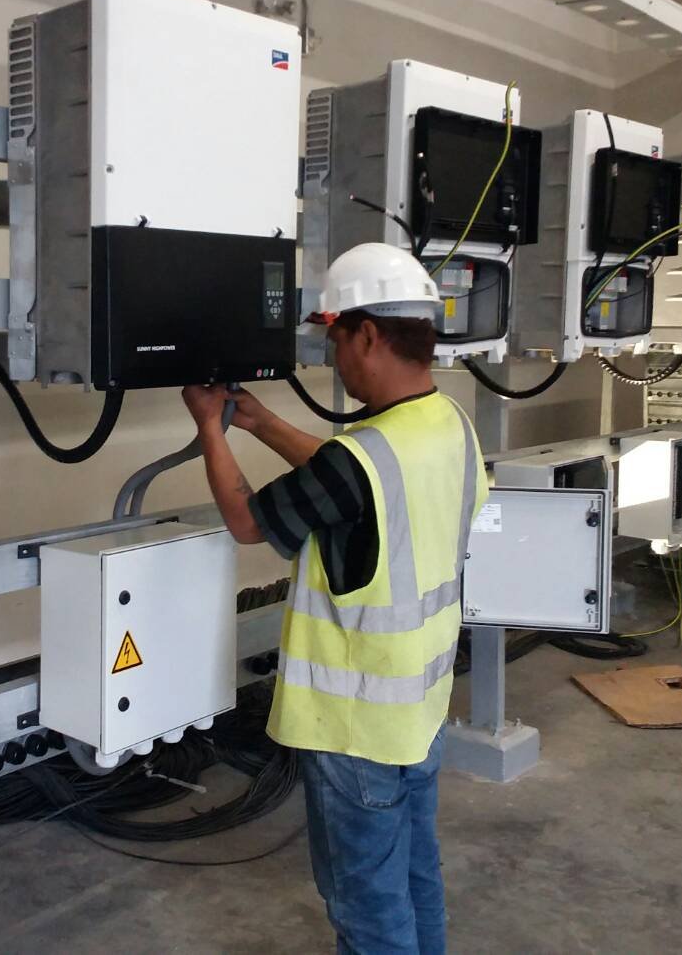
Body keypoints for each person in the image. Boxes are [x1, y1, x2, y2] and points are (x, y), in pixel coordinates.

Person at [182, 242, 486, 955]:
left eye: (335, 340)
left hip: (357, 726)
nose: (334, 358)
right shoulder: (447, 423)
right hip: (421, 709)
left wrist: (208, 428)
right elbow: (349, 480)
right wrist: (259, 423)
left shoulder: (363, 456)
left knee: (366, 907)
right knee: (415, 873)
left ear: (368, 335)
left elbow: (249, 522)